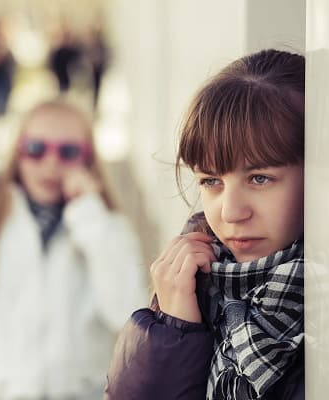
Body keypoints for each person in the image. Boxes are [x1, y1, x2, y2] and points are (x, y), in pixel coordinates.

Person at [104, 49, 305, 400]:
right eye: (212, 181)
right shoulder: (197, 283)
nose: (230, 212)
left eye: (259, 179)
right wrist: (174, 328)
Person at [0, 100, 147, 400]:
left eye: (68, 152)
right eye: (36, 149)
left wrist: (89, 216)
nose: (51, 164)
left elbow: (127, 314)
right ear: (18, 153)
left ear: (88, 159)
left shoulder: (108, 228)